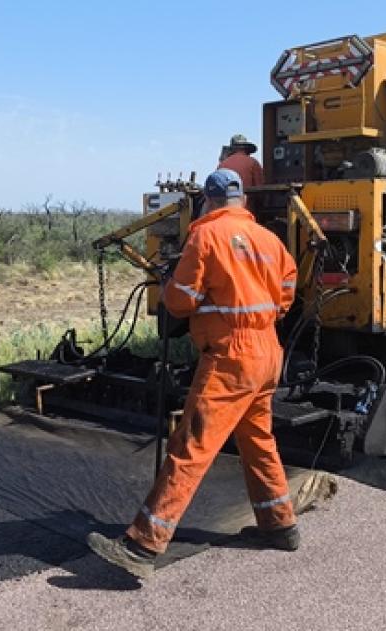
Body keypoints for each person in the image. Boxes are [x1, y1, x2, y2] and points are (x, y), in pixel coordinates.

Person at [87, 169, 299, 580]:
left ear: (209, 200)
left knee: (192, 444)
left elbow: (181, 303)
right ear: (240, 201)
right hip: (268, 352)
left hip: (231, 357)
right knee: (257, 440)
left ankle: (143, 544)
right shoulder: (271, 241)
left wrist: (169, 283)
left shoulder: (206, 236)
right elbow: (288, 288)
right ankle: (280, 525)